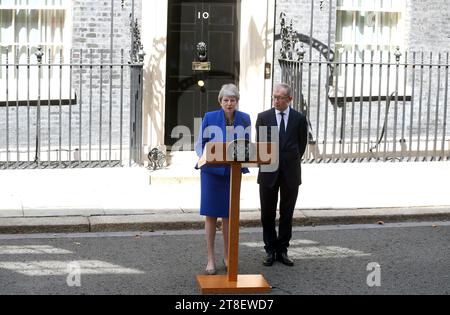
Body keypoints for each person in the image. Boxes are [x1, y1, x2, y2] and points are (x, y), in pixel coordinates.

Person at [195, 83, 251, 275]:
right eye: (226, 100)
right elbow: (200, 143)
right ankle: (210, 259)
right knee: (211, 215)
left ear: (237, 102)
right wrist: (205, 155)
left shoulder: (245, 118)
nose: (229, 103)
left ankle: (228, 256)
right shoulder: (210, 117)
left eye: (233, 100)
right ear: (220, 101)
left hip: (232, 173)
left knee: (229, 216)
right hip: (211, 173)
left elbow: (246, 146)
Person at [256, 83, 308, 267]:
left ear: (289, 99)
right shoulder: (263, 117)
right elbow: (261, 144)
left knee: (287, 213)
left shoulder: (299, 118)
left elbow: (301, 145)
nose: (276, 101)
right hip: (268, 171)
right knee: (267, 214)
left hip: (290, 173)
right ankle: (270, 250)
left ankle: (282, 250)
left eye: (280, 98)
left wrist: (289, 160)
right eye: (274, 97)